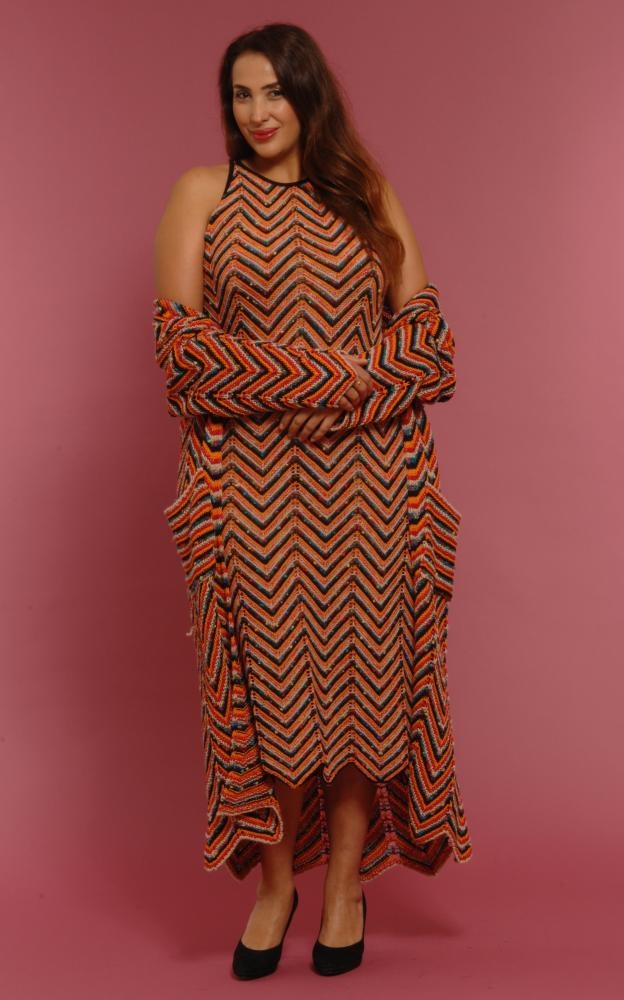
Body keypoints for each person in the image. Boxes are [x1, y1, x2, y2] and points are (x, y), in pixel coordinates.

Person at [152, 22, 473, 979]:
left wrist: (292, 382)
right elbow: (183, 352)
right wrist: (340, 377)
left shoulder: (366, 193)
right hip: (250, 492)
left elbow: (429, 346)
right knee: (275, 698)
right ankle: (274, 887)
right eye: (240, 94)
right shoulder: (204, 194)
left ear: (308, 94)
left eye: (274, 91)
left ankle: (342, 888)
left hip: (373, 486)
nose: (257, 112)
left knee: (368, 695)